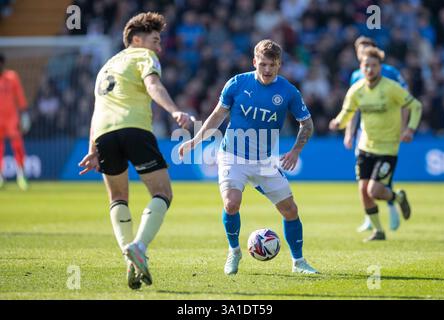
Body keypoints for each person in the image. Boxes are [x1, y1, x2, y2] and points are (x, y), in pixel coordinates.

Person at [179, 39, 318, 275]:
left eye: (272, 65)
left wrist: (296, 151)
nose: (266, 70)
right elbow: (217, 115)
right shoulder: (237, 83)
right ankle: (234, 252)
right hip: (232, 156)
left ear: (279, 65)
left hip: (264, 160)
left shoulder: (288, 91)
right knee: (231, 203)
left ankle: (299, 262)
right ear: (254, 62)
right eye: (262, 64)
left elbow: (307, 124)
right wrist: (195, 140)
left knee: (290, 210)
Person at [78, 12, 192, 289]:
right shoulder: (143, 56)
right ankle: (139, 246)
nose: (159, 47)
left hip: (104, 134)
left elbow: (97, 111)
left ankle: (130, 259)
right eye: (155, 40)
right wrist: (174, 110)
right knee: (163, 193)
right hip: (134, 129)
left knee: (117, 197)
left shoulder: (106, 67)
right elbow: (153, 84)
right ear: (136, 39)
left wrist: (93, 148)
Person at [329, 46, 422, 242]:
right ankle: (378, 231)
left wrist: (410, 129)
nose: (370, 69)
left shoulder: (391, 88)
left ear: (380, 66)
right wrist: (338, 122)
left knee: (375, 191)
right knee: (363, 191)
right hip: (365, 146)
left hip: (388, 148)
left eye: (373, 65)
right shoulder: (356, 90)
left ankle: (397, 198)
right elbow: (347, 113)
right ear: (361, 68)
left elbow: (416, 106)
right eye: (366, 66)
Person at [345, 36, 409, 233]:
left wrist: (403, 127)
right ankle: (370, 219)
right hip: (365, 134)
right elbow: (353, 108)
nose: (364, 53)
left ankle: (392, 207)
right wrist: (349, 131)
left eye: (367, 49)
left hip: (387, 131)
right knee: (364, 181)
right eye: (360, 51)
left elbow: (405, 100)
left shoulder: (390, 73)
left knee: (380, 180)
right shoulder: (356, 75)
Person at [0, 53, 31, 190]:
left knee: (18, 147)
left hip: (12, 119)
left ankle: (21, 176)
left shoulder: (12, 77)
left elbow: (20, 97)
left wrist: (24, 114)